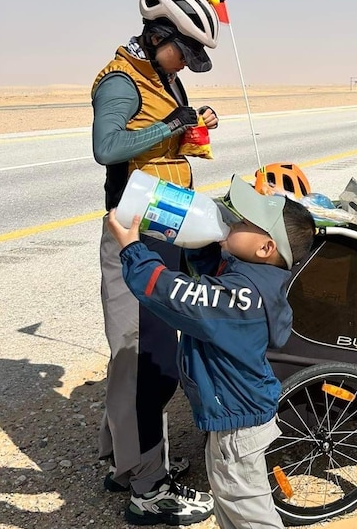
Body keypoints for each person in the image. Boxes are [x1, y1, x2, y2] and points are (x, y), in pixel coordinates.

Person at [107, 175, 316, 528]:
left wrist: (133, 251)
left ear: (265, 248)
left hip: (238, 427)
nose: (232, 220)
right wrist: (197, 236)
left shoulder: (242, 296)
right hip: (240, 418)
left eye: (243, 222)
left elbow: (175, 294)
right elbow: (213, 272)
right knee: (232, 508)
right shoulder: (256, 278)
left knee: (251, 515)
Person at [91, 0, 221, 524]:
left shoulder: (162, 76)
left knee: (135, 354)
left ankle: (123, 462)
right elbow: (107, 147)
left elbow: (159, 139)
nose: (188, 64)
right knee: (146, 358)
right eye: (184, 51)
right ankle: (148, 490)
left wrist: (190, 129)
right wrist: (172, 123)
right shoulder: (123, 80)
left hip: (166, 220)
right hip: (135, 231)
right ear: (158, 33)